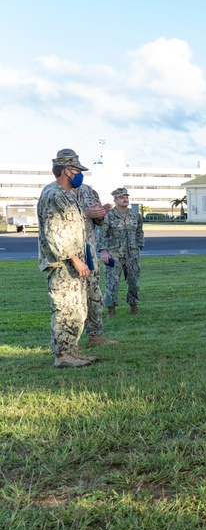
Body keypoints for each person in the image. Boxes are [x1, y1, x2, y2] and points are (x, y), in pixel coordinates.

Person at [37, 149, 97, 368]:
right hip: (64, 264)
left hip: (74, 262)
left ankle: (71, 350)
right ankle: (62, 355)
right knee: (65, 309)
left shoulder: (67, 195)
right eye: (76, 170)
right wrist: (75, 259)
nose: (79, 174)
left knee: (77, 309)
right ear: (65, 171)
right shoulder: (54, 194)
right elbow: (55, 233)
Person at [76, 182, 117, 345]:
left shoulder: (89, 191)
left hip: (88, 250)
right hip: (68, 252)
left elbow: (98, 221)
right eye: (72, 169)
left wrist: (100, 215)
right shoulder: (56, 192)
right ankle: (70, 343)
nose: (76, 173)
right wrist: (85, 213)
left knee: (94, 294)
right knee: (71, 300)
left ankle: (96, 336)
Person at [98, 187, 145, 317]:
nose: (125, 199)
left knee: (134, 282)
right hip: (113, 255)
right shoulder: (108, 216)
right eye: (122, 197)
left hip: (132, 255)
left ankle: (133, 306)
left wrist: (139, 245)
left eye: (126, 197)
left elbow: (139, 232)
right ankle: (111, 310)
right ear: (115, 199)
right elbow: (101, 233)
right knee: (112, 283)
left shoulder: (135, 215)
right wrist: (103, 251)